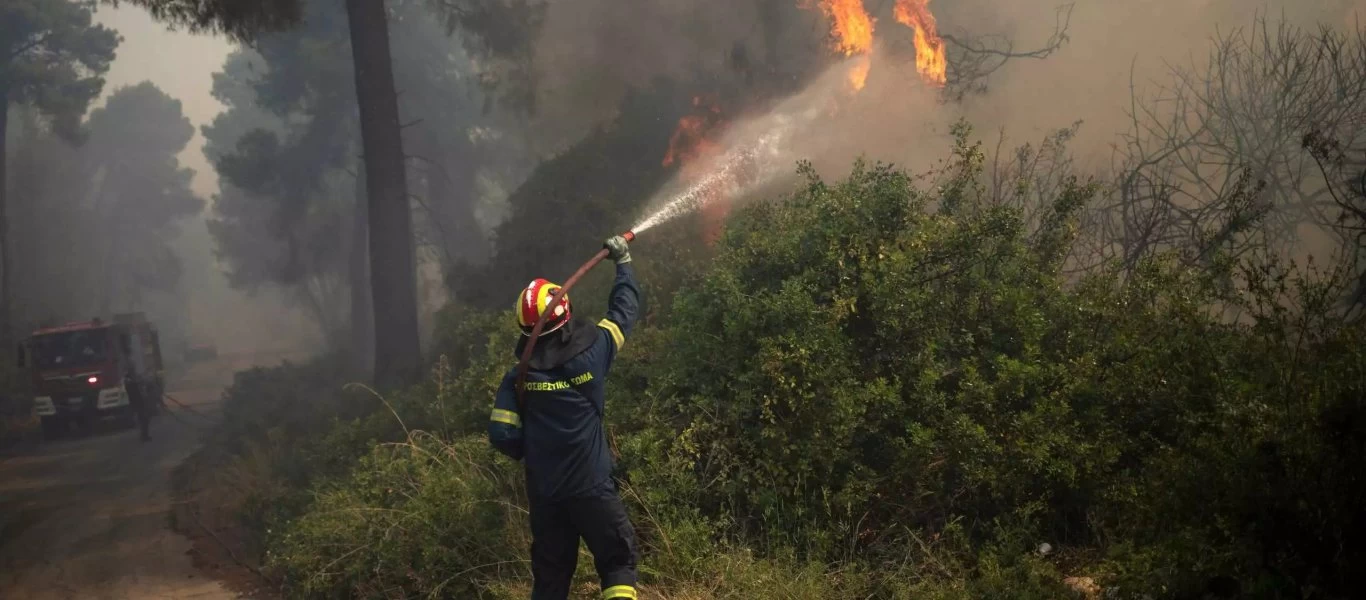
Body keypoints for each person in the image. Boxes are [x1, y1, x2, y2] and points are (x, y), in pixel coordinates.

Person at [488, 235, 641, 600]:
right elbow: (624, 311)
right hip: (592, 487)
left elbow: (502, 434)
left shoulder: (518, 377)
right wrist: (624, 264)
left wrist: (538, 448)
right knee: (618, 562)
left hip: (547, 495)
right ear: (566, 315)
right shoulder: (593, 354)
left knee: (551, 579)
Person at [124, 368, 151, 442]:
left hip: (138, 402)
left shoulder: (130, 382)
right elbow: (135, 387)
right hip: (138, 403)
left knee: (144, 419)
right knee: (143, 419)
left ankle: (144, 435)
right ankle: (144, 436)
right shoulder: (130, 383)